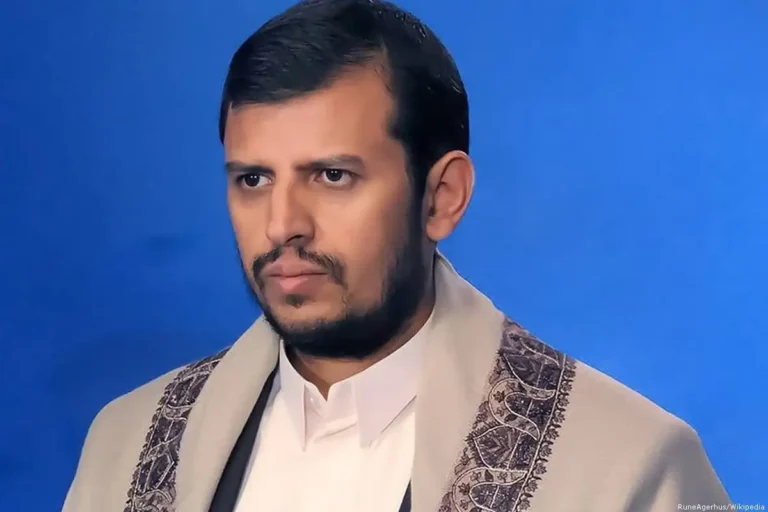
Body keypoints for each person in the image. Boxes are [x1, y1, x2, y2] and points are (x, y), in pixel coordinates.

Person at [63, 1, 730, 511]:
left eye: (332, 176)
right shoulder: (124, 445)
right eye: (254, 179)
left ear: (442, 197)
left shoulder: (629, 466)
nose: (281, 226)